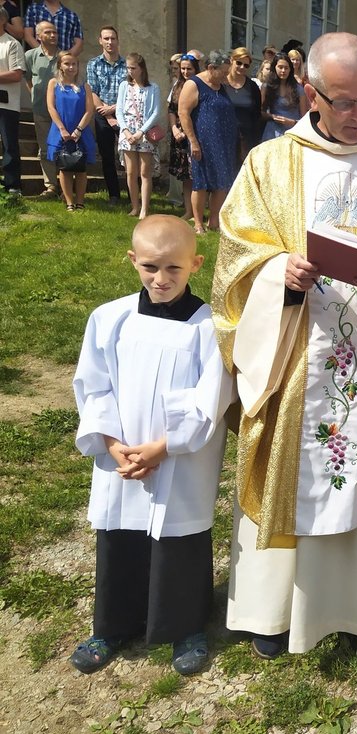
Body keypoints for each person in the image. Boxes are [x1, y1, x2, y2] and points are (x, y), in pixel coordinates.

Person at [211, 32, 357, 660]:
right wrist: (274, 275)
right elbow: (236, 254)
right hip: (294, 353)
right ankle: (273, 609)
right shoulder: (269, 162)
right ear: (311, 93)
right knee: (297, 456)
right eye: (343, 103)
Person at [70, 214, 233, 677]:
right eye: (149, 267)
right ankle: (112, 624)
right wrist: (113, 443)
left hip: (179, 458)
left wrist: (165, 447)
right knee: (119, 536)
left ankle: (186, 626)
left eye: (173, 269)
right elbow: (93, 384)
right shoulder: (110, 319)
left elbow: (212, 399)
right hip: (120, 454)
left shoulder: (210, 328)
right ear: (133, 261)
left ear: (195, 263)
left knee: (179, 540)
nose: (160, 279)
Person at [179, 50, 236, 234]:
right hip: (203, 143)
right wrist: (193, 142)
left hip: (224, 142)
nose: (227, 75)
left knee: (222, 182)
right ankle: (197, 223)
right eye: (224, 71)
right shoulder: (193, 84)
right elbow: (183, 113)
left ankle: (214, 222)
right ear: (211, 68)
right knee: (201, 182)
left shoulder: (221, 86)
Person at [46, 51, 95, 210]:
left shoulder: (85, 86)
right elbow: (51, 107)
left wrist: (79, 130)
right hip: (61, 131)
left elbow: (89, 110)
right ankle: (69, 203)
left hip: (80, 131)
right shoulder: (53, 83)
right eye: (67, 63)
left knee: (80, 168)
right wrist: (62, 129)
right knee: (65, 167)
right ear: (60, 65)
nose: (71, 67)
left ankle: (80, 202)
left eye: (74, 64)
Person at [117, 53, 162, 219]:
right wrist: (126, 131)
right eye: (128, 68)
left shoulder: (153, 88)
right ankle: (134, 206)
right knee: (130, 172)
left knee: (144, 172)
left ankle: (144, 208)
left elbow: (156, 112)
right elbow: (119, 110)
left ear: (141, 68)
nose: (130, 71)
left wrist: (140, 132)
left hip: (144, 133)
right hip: (127, 132)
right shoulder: (124, 86)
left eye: (133, 68)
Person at [87, 26, 127, 205]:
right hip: (102, 115)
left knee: (129, 155)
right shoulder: (93, 64)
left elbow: (132, 92)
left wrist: (115, 109)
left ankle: (134, 194)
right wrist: (108, 114)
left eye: (113, 38)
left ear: (118, 40)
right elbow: (93, 92)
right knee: (107, 156)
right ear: (100, 41)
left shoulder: (128, 65)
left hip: (125, 114)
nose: (110, 42)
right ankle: (114, 195)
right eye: (106, 39)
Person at [25, 19, 60, 198]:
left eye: (54, 32)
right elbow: (29, 79)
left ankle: (65, 182)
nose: (53, 35)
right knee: (45, 147)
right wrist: (35, 96)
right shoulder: (30, 56)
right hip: (40, 109)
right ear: (39, 36)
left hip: (62, 111)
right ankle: (51, 185)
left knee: (63, 146)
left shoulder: (64, 57)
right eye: (48, 32)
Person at [168, 55, 198, 219]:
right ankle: (189, 210)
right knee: (186, 176)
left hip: (195, 133)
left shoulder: (200, 86)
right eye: (183, 68)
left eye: (189, 69)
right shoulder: (177, 86)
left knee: (196, 175)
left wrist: (188, 132)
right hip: (178, 136)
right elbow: (171, 110)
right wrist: (174, 128)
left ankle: (198, 211)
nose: (186, 72)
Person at [0, 6, 25, 195]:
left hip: (6, 104)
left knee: (9, 145)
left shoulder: (12, 44)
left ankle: (13, 186)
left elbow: (16, 74)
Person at [225, 47, 262, 168]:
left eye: (246, 65)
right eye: (239, 63)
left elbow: (256, 116)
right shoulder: (221, 83)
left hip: (245, 139)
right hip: (224, 135)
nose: (242, 67)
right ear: (232, 60)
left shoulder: (252, 87)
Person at [260, 52, 307, 142]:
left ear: (290, 69)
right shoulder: (267, 87)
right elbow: (261, 112)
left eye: (286, 68)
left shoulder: (298, 89)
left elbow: (304, 118)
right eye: (280, 67)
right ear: (274, 67)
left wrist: (292, 122)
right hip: (272, 132)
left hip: (292, 132)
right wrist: (273, 117)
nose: (283, 71)